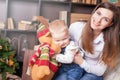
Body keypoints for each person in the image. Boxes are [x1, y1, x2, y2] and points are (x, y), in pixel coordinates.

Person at [53, 2, 120, 80]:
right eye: (98, 13)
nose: (98, 21)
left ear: (110, 24)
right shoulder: (75, 27)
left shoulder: (109, 43)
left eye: (105, 19)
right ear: (94, 12)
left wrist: (81, 62)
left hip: (92, 73)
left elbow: (100, 71)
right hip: (72, 68)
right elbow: (61, 43)